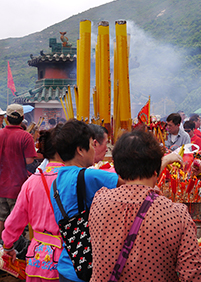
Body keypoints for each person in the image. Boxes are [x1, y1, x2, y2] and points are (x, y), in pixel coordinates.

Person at [49, 119, 183, 282]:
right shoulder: (89, 176)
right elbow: (138, 181)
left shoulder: (56, 182)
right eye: (92, 144)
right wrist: (166, 160)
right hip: (90, 267)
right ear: (80, 150)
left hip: (66, 264)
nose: (94, 149)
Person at [89, 128, 201, 282]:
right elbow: (192, 275)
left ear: (119, 171)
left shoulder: (99, 201)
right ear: (156, 170)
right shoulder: (177, 214)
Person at [2, 125, 65, 281]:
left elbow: (14, 220)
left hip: (37, 258)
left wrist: (8, 246)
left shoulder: (32, 182)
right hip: (66, 259)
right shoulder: (76, 180)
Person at [0, 104, 37, 239]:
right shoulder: (25, 137)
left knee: (1, 218)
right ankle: (16, 247)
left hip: (1, 186)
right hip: (18, 187)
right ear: (22, 118)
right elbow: (29, 161)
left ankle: (2, 247)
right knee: (16, 220)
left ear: (6, 118)